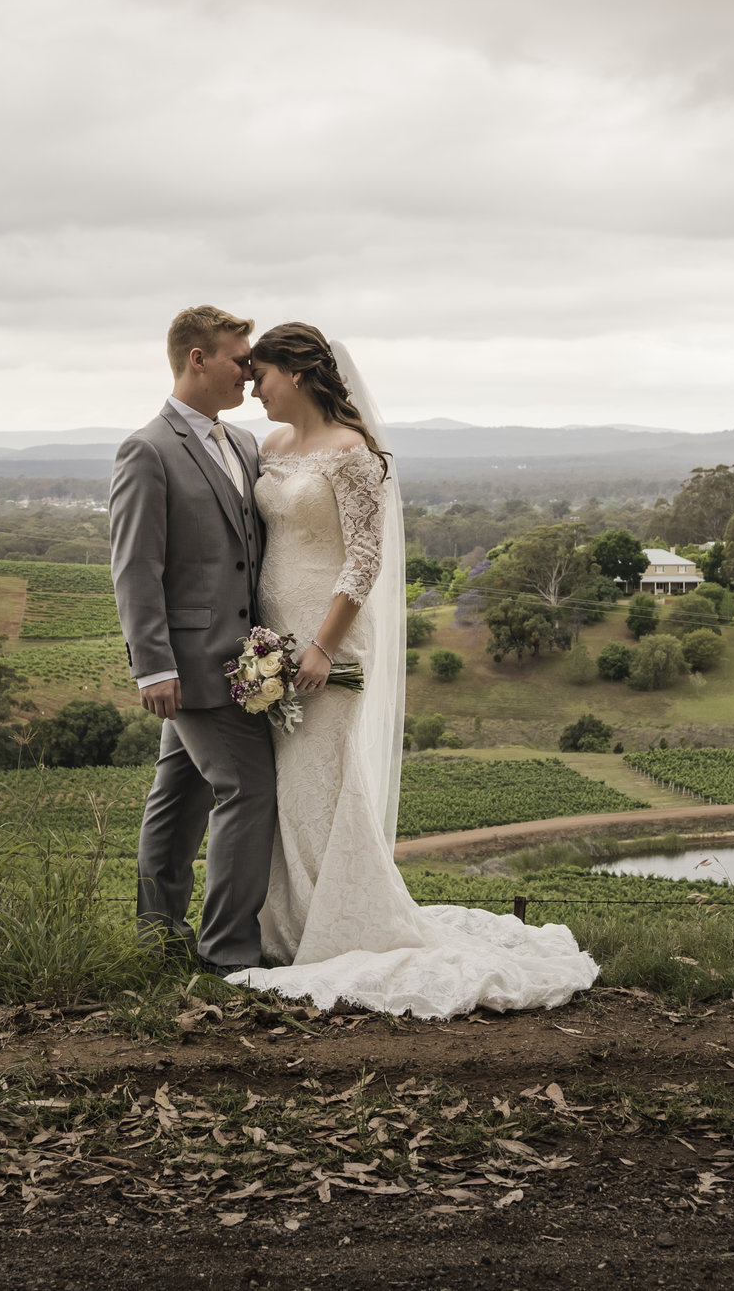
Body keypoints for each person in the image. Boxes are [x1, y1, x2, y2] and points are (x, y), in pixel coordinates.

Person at [228, 322, 598, 1017]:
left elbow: (364, 560)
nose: (254, 389)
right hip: (272, 638)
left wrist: (322, 648)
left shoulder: (354, 454)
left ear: (298, 373)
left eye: (262, 376)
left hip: (328, 641)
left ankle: (341, 924)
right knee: (288, 788)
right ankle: (293, 923)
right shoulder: (270, 447)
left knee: (324, 781)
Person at [110, 305, 275, 973]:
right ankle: (226, 951)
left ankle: (157, 934)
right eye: (241, 359)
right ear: (197, 358)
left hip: (243, 661)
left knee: (180, 793)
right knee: (248, 790)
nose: (251, 371)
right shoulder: (146, 449)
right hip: (188, 663)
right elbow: (135, 567)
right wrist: (152, 667)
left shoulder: (243, 445)